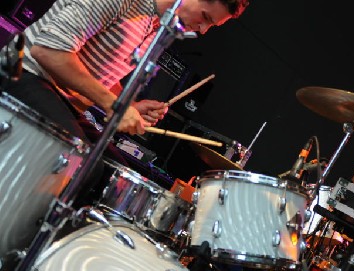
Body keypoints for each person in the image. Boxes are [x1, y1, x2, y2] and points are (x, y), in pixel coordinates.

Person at [0, 0, 248, 160]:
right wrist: (114, 106)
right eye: (205, 17)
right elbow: (48, 51)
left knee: (112, 170)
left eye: (211, 25)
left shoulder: (159, 27)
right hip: (23, 74)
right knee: (80, 162)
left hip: (63, 101)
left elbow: (98, 73)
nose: (203, 30)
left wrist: (128, 105)